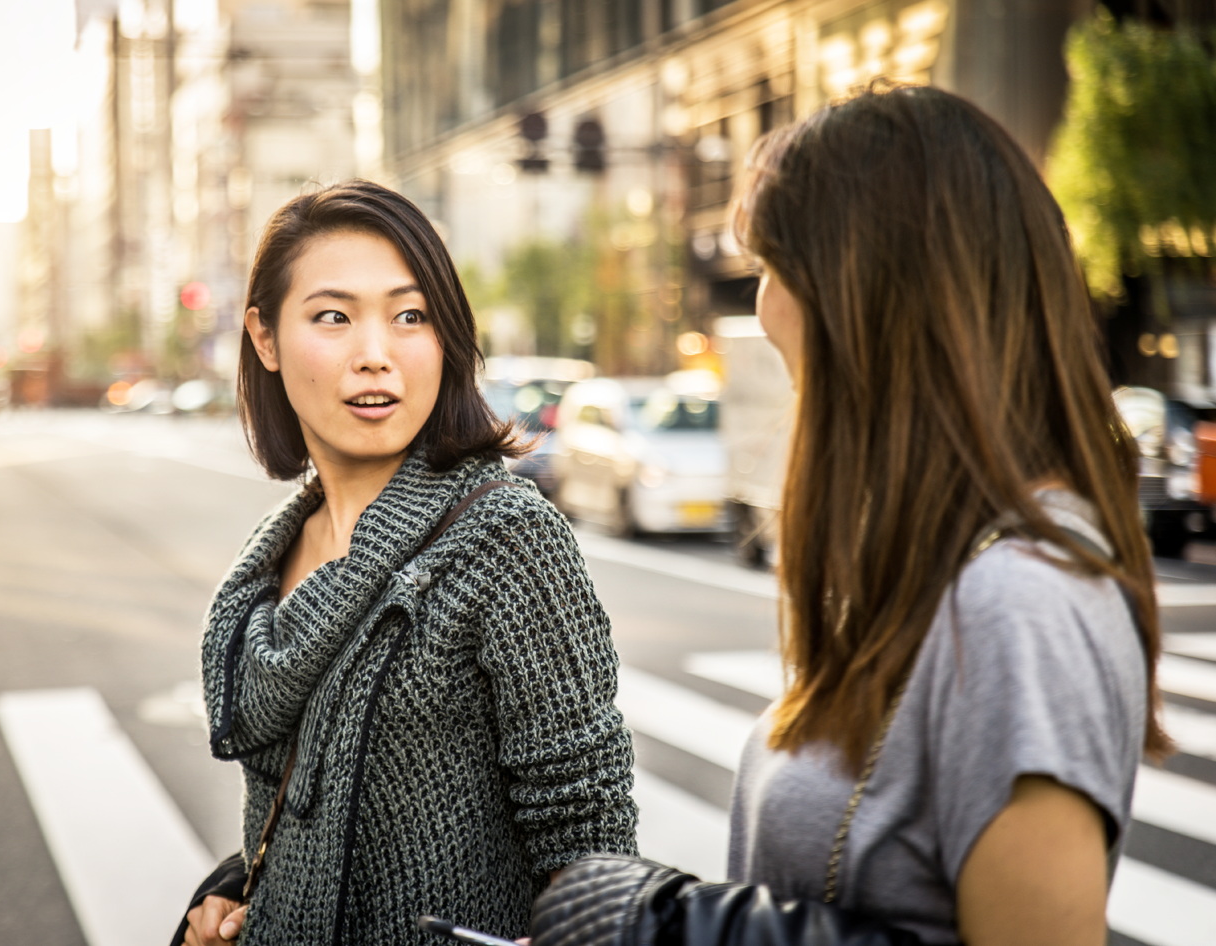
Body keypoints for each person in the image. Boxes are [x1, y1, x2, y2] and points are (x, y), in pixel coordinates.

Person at [530, 84, 1170, 946]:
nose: (758, 309)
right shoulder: (945, 570)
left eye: (769, 271)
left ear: (864, 296)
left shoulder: (1020, 602)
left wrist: (670, 928)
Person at [178, 180, 638, 946]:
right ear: (264, 338)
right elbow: (293, 823)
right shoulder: (270, 558)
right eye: (333, 317)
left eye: (409, 317)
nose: (374, 356)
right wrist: (235, 911)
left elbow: (588, 842)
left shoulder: (506, 538)